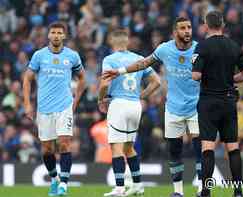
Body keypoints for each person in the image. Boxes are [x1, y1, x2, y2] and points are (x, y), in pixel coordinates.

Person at [103, 17, 203, 197]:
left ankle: (203, 186)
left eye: (189, 27)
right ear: (175, 32)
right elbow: (145, 64)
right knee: (174, 149)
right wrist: (122, 72)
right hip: (172, 107)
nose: (187, 31)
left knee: (199, 146)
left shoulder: (199, 49)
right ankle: (177, 191)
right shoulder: (164, 48)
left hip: (196, 105)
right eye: (183, 28)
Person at [192, 11, 243, 197]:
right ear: (223, 24)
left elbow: (196, 76)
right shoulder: (234, 46)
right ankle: (238, 191)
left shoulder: (202, 47)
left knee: (208, 147)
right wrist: (229, 78)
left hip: (209, 101)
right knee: (232, 147)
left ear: (206, 25)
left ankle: (206, 190)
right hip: (228, 101)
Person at [22, 22, 86, 196]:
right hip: (44, 108)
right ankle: (54, 179)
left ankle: (64, 184)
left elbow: (82, 78)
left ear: (64, 36)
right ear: (48, 35)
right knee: (47, 149)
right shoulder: (39, 55)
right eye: (53, 32)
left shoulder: (72, 56)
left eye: (59, 32)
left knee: (65, 144)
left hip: (64, 106)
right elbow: (27, 79)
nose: (56, 35)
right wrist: (27, 104)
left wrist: (75, 100)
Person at [99, 29, 161, 197]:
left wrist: (100, 99)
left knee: (116, 147)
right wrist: (141, 96)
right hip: (135, 105)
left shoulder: (109, 59)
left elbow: (104, 84)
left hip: (118, 104)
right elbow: (157, 82)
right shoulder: (139, 59)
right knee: (129, 148)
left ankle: (119, 188)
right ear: (127, 42)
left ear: (112, 41)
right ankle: (138, 185)